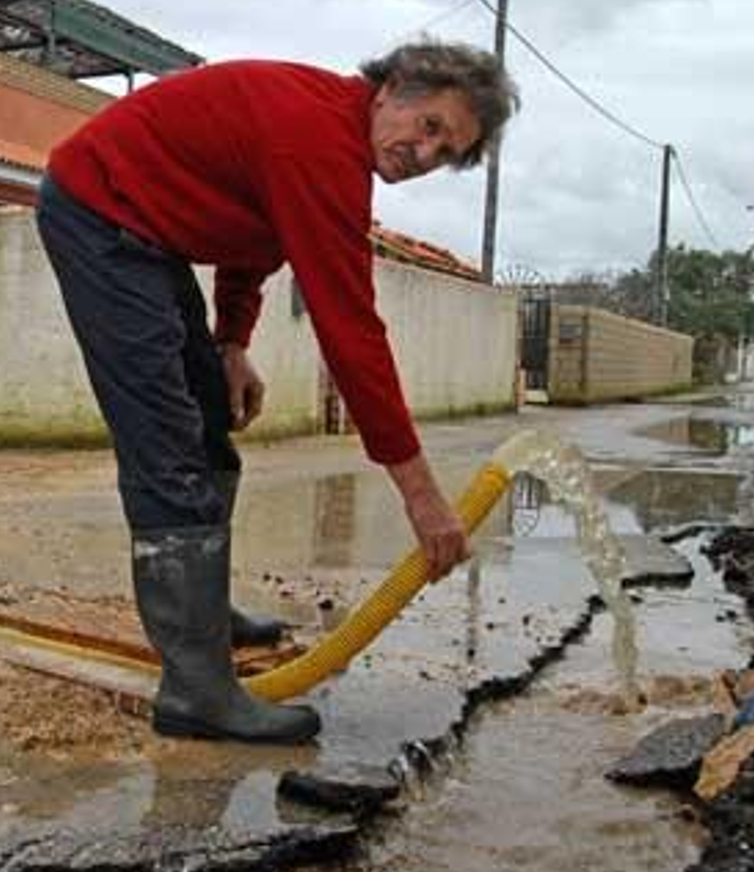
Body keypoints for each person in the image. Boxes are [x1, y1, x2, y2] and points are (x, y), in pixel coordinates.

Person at [35, 40, 520, 745]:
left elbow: (251, 241)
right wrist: (422, 495)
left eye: (444, 153)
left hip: (145, 232)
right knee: (167, 448)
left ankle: (202, 617)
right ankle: (196, 693)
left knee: (208, 421)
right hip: (99, 218)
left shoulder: (328, 140)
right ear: (394, 90)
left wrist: (231, 345)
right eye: (432, 127)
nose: (424, 153)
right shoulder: (318, 141)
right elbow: (349, 329)